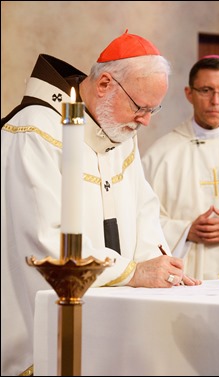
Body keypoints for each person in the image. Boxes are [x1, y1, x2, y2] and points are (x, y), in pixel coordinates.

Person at [1, 30, 201, 376]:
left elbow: (144, 210)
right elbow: (45, 236)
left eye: (154, 109)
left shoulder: (119, 129)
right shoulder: (36, 130)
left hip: (112, 315)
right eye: (140, 107)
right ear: (105, 83)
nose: (145, 121)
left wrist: (157, 264)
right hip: (42, 319)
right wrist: (132, 272)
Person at [142, 55, 219, 282]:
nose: (215, 100)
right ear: (189, 93)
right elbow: (139, 220)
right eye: (206, 90)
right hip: (184, 280)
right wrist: (185, 231)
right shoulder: (160, 154)